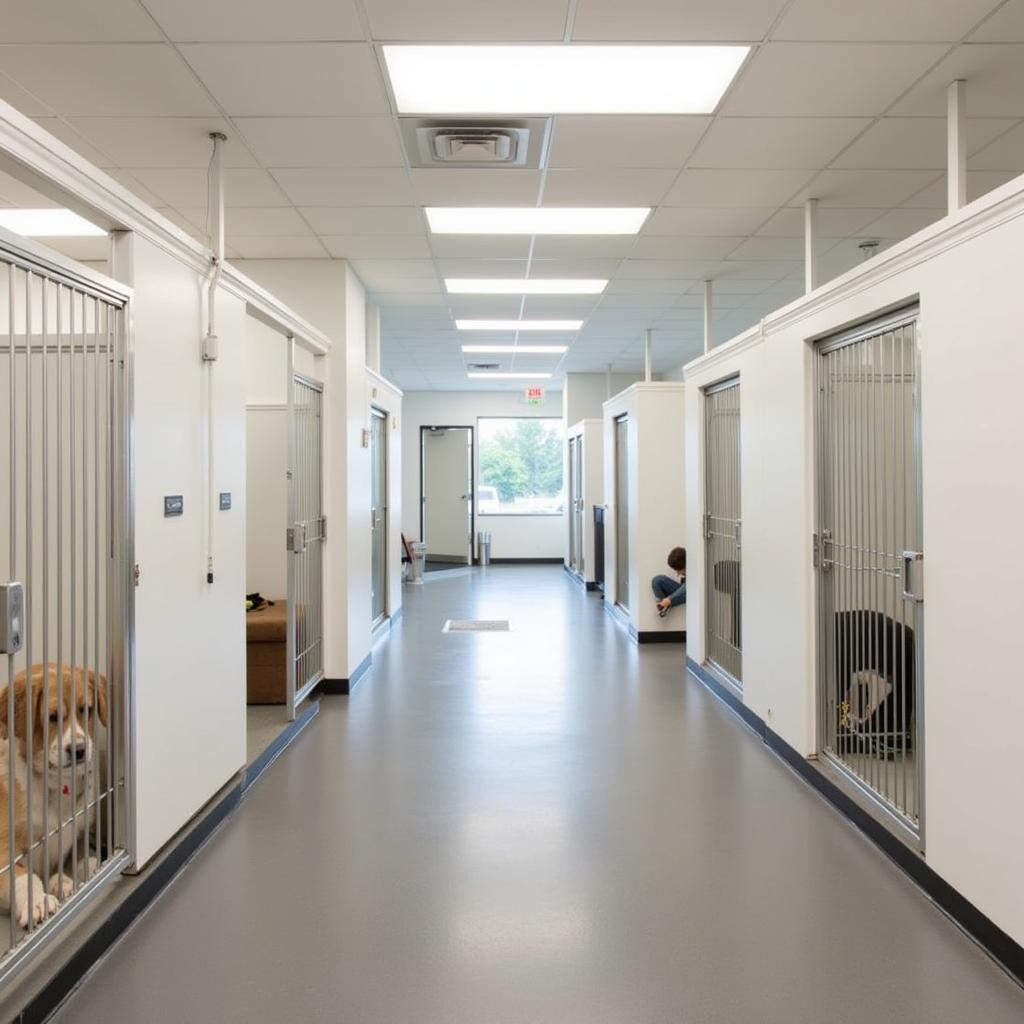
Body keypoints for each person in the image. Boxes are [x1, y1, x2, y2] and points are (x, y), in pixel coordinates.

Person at [652, 547, 686, 618]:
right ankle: (664, 606)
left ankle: (667, 602)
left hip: (689, 593)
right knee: (657, 580)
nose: (677, 573)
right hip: (681, 592)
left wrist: (670, 599)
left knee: (688, 586)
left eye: (678, 570)